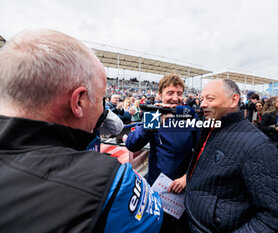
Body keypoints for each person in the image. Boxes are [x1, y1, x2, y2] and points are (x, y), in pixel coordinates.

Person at [0, 29, 163, 233]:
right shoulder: (110, 180)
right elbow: (152, 219)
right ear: (78, 101)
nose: (103, 109)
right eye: (101, 98)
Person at [185, 79, 278, 233]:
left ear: (234, 99)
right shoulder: (210, 125)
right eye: (202, 98)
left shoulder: (258, 146)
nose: (202, 104)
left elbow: (277, 222)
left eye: (210, 98)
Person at [126, 73, 199, 233]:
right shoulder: (154, 113)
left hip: (184, 188)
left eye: (179, 93)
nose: (175, 98)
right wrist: (150, 124)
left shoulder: (188, 113)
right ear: (160, 95)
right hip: (158, 190)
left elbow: (201, 150)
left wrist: (188, 176)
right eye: (170, 93)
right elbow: (131, 144)